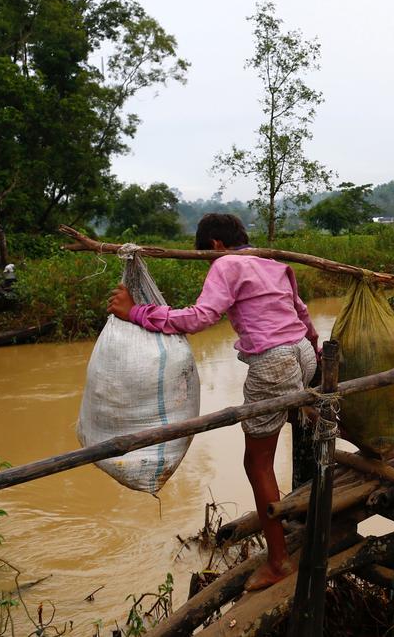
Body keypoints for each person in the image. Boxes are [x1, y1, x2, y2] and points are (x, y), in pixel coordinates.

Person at [107, 213, 319, 592]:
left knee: (257, 463)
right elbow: (302, 314)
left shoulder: (226, 264)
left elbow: (200, 317)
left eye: (206, 254)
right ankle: (291, 530)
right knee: (289, 434)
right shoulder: (271, 262)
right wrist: (314, 353)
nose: (209, 261)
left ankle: (277, 562)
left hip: (273, 362)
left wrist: (135, 312)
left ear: (216, 246)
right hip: (302, 350)